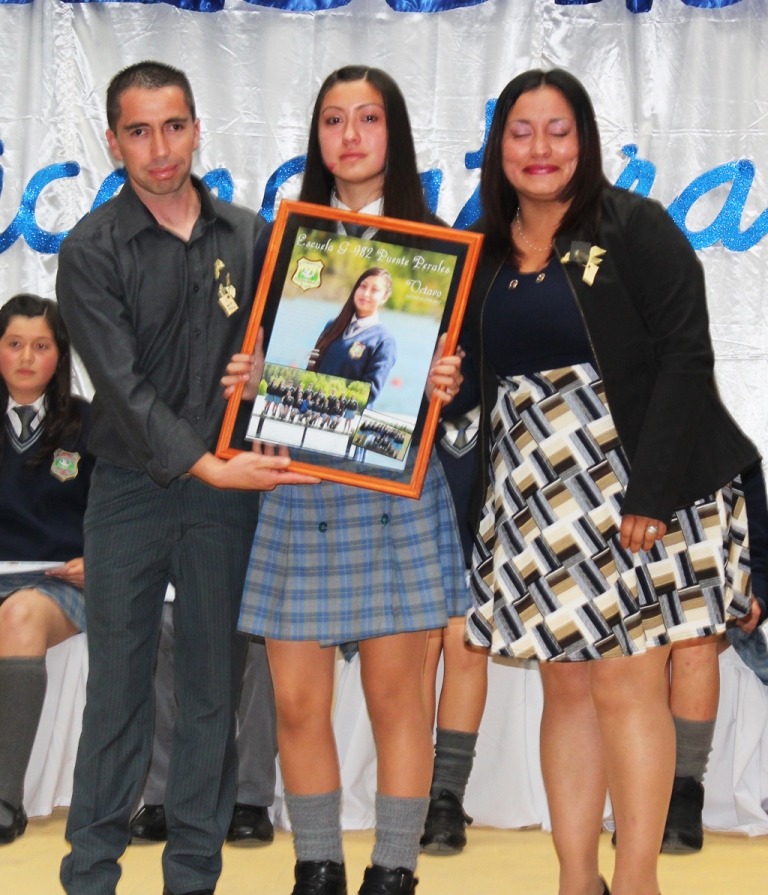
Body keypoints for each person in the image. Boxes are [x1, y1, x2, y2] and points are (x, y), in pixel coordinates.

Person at [461, 68, 762, 895]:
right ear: (498, 145)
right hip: (535, 492)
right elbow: (470, 388)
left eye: (558, 130)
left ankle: (635, 880)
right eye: (522, 131)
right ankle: (575, 879)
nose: (541, 148)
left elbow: (686, 356)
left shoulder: (636, 226)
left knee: (629, 686)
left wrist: (650, 495)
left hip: (643, 486)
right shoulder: (480, 253)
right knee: (565, 688)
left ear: (586, 140)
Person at [56, 61, 316, 895]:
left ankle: (193, 877)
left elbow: (300, 354)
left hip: (226, 496)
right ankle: (90, 874)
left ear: (198, 129)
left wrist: (267, 379)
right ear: (113, 141)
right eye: (139, 131)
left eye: (173, 126)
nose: (159, 148)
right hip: (130, 490)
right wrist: (208, 463)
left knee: (211, 691)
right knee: (117, 692)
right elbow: (120, 387)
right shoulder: (90, 250)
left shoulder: (252, 236)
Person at [227, 65, 466, 895]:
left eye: (368, 118)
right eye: (334, 119)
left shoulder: (435, 246)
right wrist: (249, 379)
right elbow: (262, 358)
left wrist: (448, 382)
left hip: (391, 488)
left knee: (398, 700)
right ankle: (318, 866)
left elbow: (465, 380)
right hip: (298, 486)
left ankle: (394, 870)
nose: (351, 135)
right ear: (316, 135)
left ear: (394, 132)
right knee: (297, 701)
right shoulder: (281, 240)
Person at [0, 294, 93, 845]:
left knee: (19, 616)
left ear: (60, 355)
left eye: (41, 345)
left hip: (58, 582)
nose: (26, 357)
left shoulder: (89, 423)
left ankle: (5, 796)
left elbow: (117, 508)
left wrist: (98, 557)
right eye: (14, 344)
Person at [128, 601, 278, 848]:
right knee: (158, 625)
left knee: (261, 639)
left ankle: (250, 797)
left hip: (253, 592)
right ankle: (162, 796)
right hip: (183, 590)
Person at [420, 407, 489, 856]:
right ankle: (416, 790)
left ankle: (445, 794)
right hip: (413, 507)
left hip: (480, 519)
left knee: (465, 648)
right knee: (419, 653)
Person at [307, 267, 396, 404]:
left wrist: (327, 399)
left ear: (384, 298)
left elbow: (369, 393)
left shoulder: (384, 341)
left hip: (343, 413)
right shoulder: (333, 325)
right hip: (311, 407)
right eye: (363, 286)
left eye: (374, 290)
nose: (365, 293)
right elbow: (311, 369)